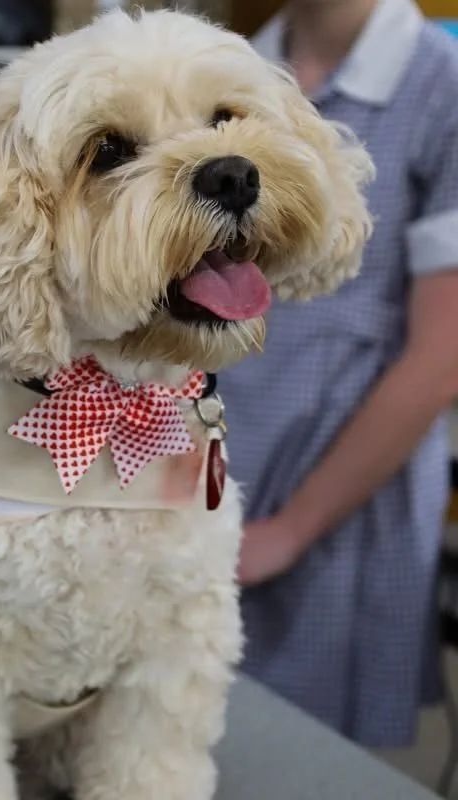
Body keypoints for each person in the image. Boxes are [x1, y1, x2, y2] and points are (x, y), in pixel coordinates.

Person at [218, 0, 458, 747]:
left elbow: (443, 356)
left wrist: (293, 528)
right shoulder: (228, 71)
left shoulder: (438, 84)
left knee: (304, 752)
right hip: (210, 464)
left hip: (341, 494)